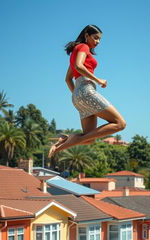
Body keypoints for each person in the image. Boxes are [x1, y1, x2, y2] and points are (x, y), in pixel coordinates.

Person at [48, 25, 126, 157]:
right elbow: (79, 66)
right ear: (86, 36)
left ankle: (65, 139)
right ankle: (65, 144)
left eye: (99, 39)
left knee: (89, 139)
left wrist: (76, 95)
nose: (97, 42)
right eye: (95, 38)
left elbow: (67, 79)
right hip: (86, 90)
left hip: (77, 95)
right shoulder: (83, 47)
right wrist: (98, 80)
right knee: (120, 123)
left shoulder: (74, 52)